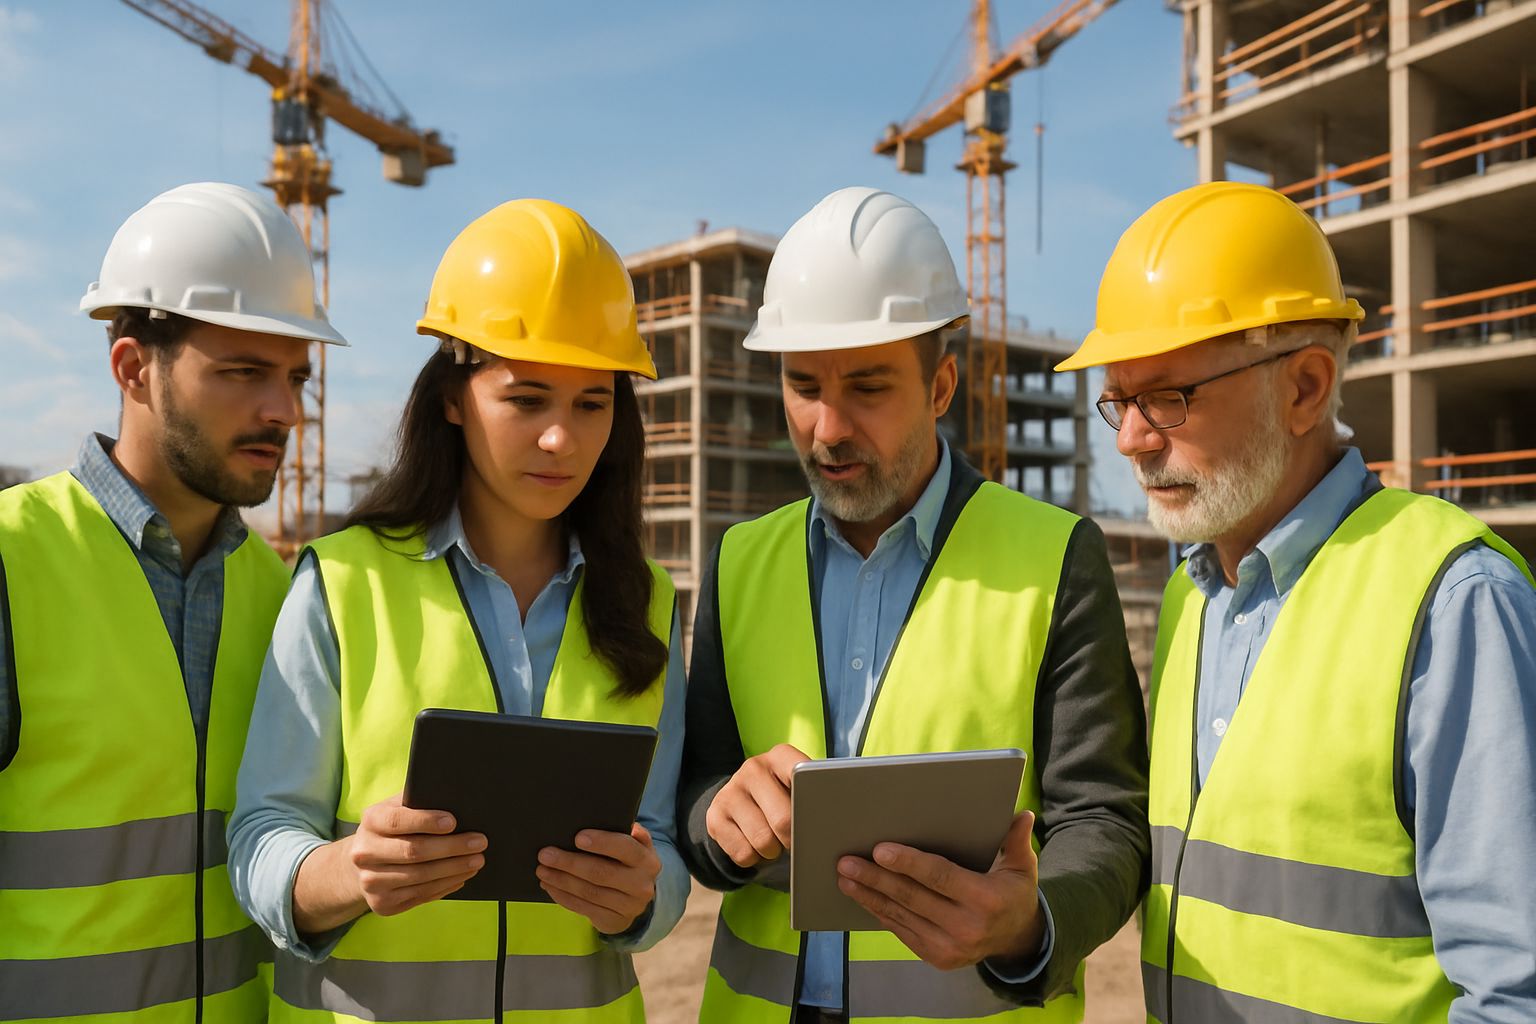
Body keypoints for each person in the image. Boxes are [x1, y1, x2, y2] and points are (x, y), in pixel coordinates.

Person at [1058, 180, 1536, 1022]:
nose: (1131, 439)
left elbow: (1515, 991)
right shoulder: (1191, 600)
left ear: (1306, 388)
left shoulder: (1454, 603)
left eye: (1168, 397)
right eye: (1119, 400)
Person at [677, 186, 1150, 1023]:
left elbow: (1105, 819)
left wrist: (1030, 925)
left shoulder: (1057, 558)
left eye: (867, 388)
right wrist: (717, 817)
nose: (828, 428)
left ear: (940, 387)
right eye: (802, 385)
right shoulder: (739, 560)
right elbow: (698, 787)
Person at [228, 198, 688, 1023]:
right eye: (528, 399)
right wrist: (349, 873)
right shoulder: (344, 582)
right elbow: (263, 833)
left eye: (592, 404)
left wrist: (642, 899)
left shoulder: (647, 603)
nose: (562, 439)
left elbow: (663, 841)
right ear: (452, 397)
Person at [0, 182, 346, 1021]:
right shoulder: (11, 560)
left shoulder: (287, 596)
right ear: (133, 369)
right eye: (243, 373)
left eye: (295, 378)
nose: (285, 411)